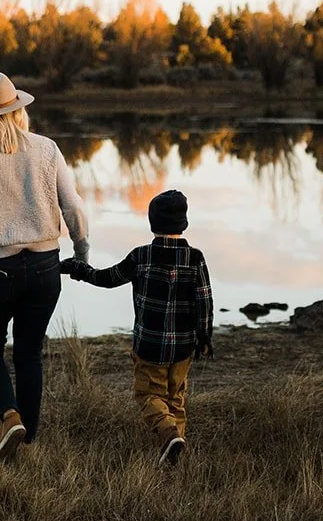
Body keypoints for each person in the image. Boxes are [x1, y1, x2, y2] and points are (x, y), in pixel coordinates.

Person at [0, 72, 89, 463]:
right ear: (18, 110)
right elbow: (74, 207)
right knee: (29, 353)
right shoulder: (47, 149)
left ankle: (10, 418)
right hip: (45, 267)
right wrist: (81, 252)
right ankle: (28, 442)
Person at [61, 189, 213, 466]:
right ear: (184, 223)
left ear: (152, 223)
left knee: (148, 395)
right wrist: (204, 337)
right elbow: (204, 300)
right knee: (175, 398)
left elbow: (108, 278)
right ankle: (175, 453)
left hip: (149, 346)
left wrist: (79, 270)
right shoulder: (195, 258)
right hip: (183, 347)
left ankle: (168, 433)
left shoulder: (141, 256)